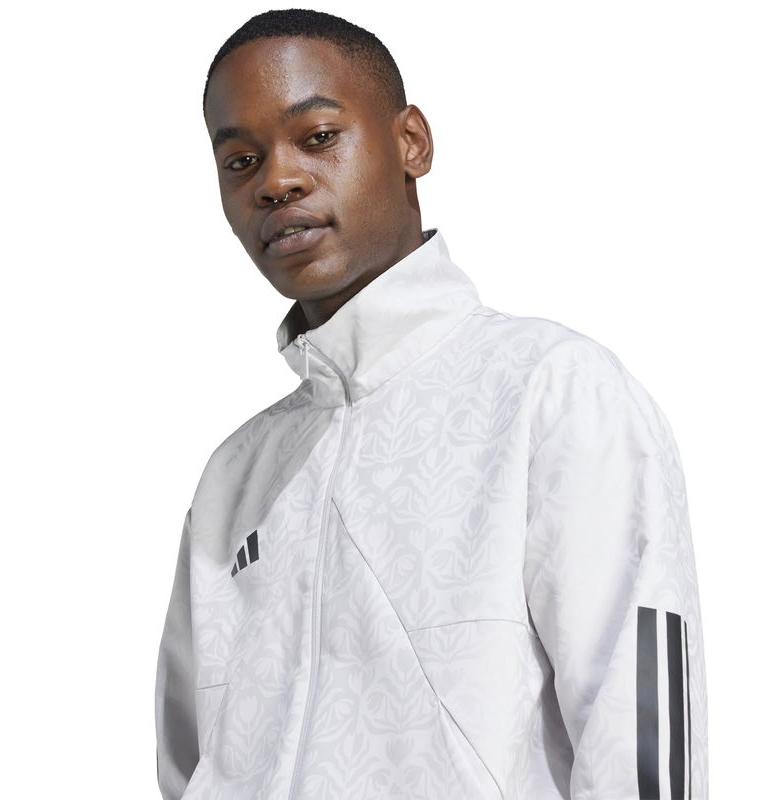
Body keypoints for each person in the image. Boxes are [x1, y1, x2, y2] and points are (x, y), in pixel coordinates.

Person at [155, 8, 708, 799]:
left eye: (318, 137)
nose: (276, 182)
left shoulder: (551, 393)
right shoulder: (232, 480)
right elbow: (187, 769)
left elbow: (641, 753)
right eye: (241, 160)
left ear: (411, 141)